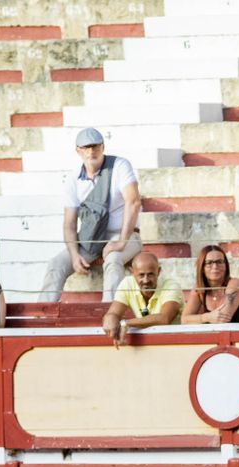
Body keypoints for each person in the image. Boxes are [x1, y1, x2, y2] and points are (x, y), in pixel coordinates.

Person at [39, 128, 141, 302]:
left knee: (113, 259)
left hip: (125, 233)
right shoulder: (73, 179)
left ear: (102, 147)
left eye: (95, 147)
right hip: (91, 238)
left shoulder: (119, 166)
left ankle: (109, 312)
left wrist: (121, 240)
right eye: (86, 148)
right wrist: (74, 255)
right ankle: (42, 316)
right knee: (56, 264)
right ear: (78, 150)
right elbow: (69, 224)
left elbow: (133, 202)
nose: (91, 152)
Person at [103, 251, 182, 345]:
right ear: (132, 272)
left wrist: (126, 323)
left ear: (159, 271)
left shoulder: (171, 285)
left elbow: (164, 318)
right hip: (147, 344)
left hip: (174, 342)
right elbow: (113, 313)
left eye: (150, 274)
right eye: (141, 275)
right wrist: (111, 319)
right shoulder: (127, 283)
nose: (146, 280)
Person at [183, 244, 239, 324]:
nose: (215, 266)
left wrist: (201, 318)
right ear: (202, 267)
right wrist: (207, 317)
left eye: (219, 262)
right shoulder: (199, 288)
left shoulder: (235, 284)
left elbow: (222, 320)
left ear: (226, 266)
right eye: (209, 262)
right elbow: (184, 320)